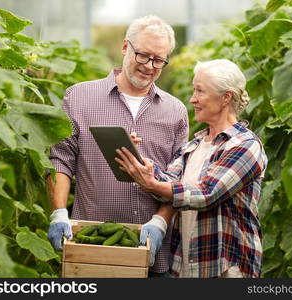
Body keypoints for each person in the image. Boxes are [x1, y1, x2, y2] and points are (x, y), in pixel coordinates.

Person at [46, 15, 189, 277]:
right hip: (90, 248)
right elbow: (60, 161)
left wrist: (160, 222)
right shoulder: (79, 97)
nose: (149, 66)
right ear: (125, 47)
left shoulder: (175, 111)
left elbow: (179, 178)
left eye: (158, 60)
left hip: (152, 257)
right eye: (143, 55)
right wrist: (58, 213)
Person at [115, 59, 268, 278]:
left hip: (225, 269)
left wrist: (153, 183)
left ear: (226, 97)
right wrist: (138, 159)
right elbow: (168, 182)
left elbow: (207, 194)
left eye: (200, 91)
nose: (192, 99)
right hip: (185, 266)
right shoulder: (194, 145)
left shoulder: (245, 145)